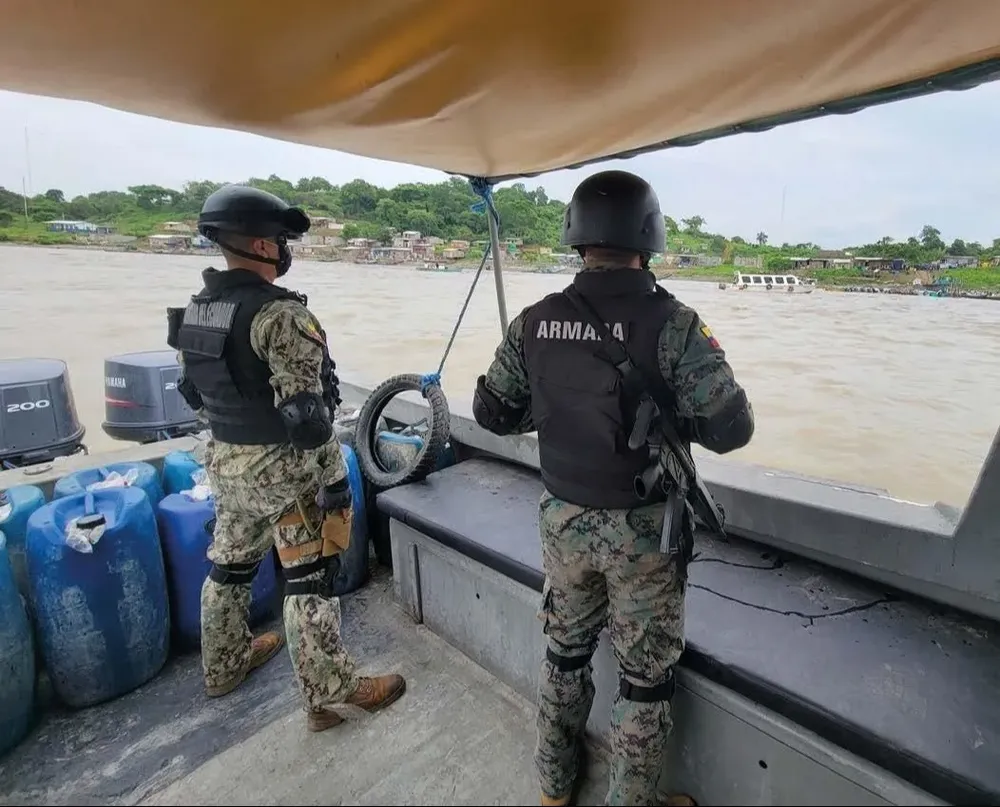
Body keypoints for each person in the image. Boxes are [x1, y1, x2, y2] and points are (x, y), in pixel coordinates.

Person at [472, 170, 755, 806]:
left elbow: (492, 413)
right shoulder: (675, 324)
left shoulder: (535, 322)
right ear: (648, 238)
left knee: (564, 654)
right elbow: (731, 429)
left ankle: (552, 787)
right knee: (645, 680)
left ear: (576, 240)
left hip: (562, 521)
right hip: (642, 533)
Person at [167, 184, 406, 732]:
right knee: (308, 579)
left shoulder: (198, 311)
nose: (283, 248)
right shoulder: (279, 315)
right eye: (278, 240)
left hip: (225, 463)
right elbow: (307, 418)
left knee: (228, 567)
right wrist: (336, 478)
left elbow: (194, 395)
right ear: (257, 244)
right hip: (282, 472)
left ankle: (223, 666)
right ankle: (330, 694)